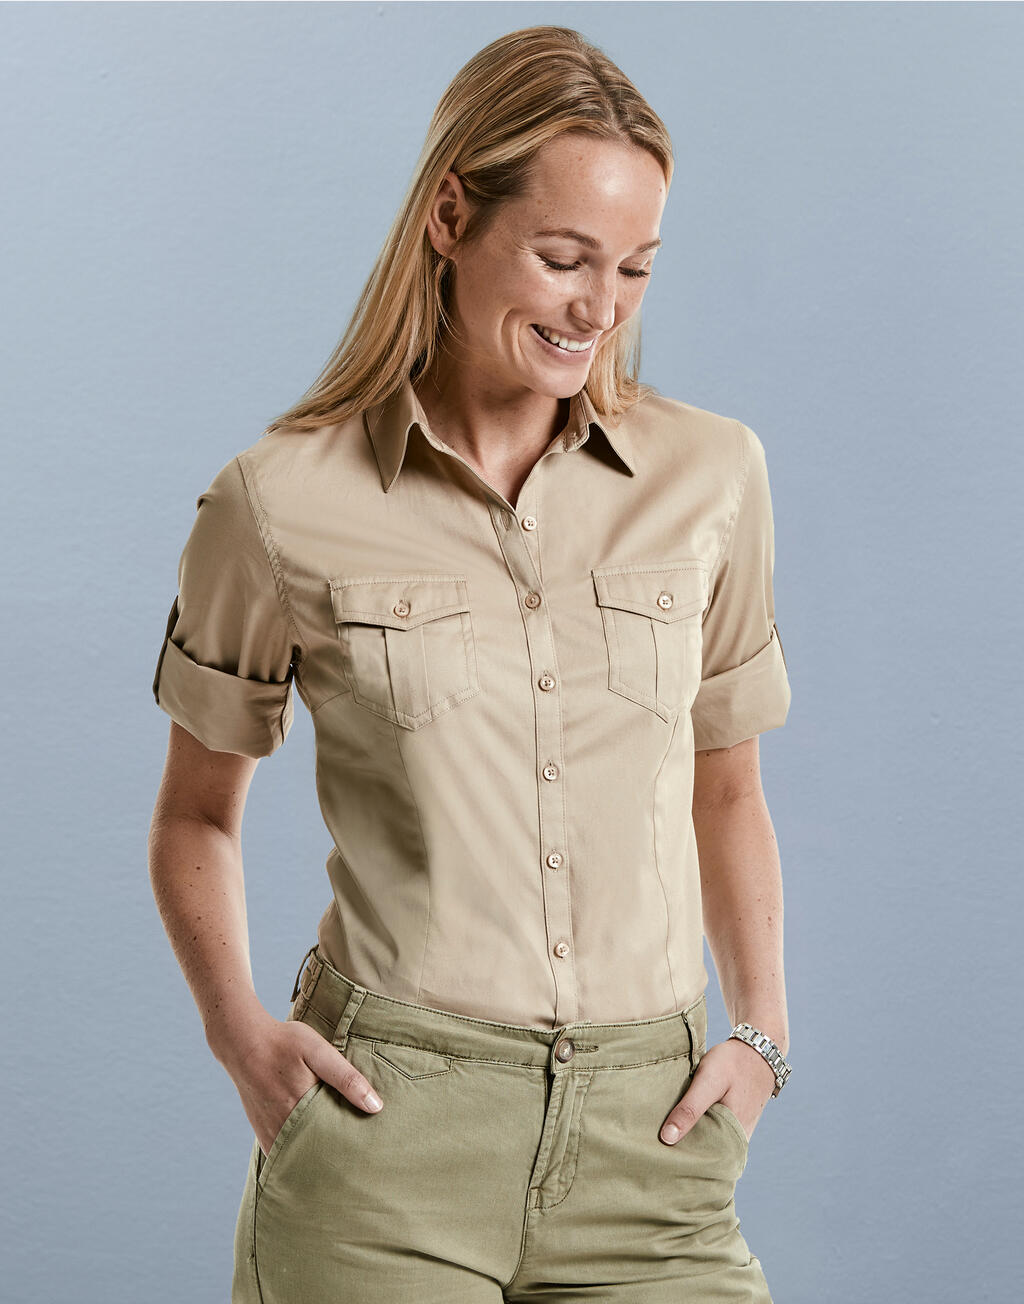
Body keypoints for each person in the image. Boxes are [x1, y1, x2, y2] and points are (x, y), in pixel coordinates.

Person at [148, 24, 794, 1304]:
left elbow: (726, 786)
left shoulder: (713, 474)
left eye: (634, 268)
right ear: (450, 214)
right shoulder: (276, 502)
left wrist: (762, 1033)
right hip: (387, 1139)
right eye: (563, 257)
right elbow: (194, 816)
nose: (598, 308)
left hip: (651, 1139)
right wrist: (239, 1033)